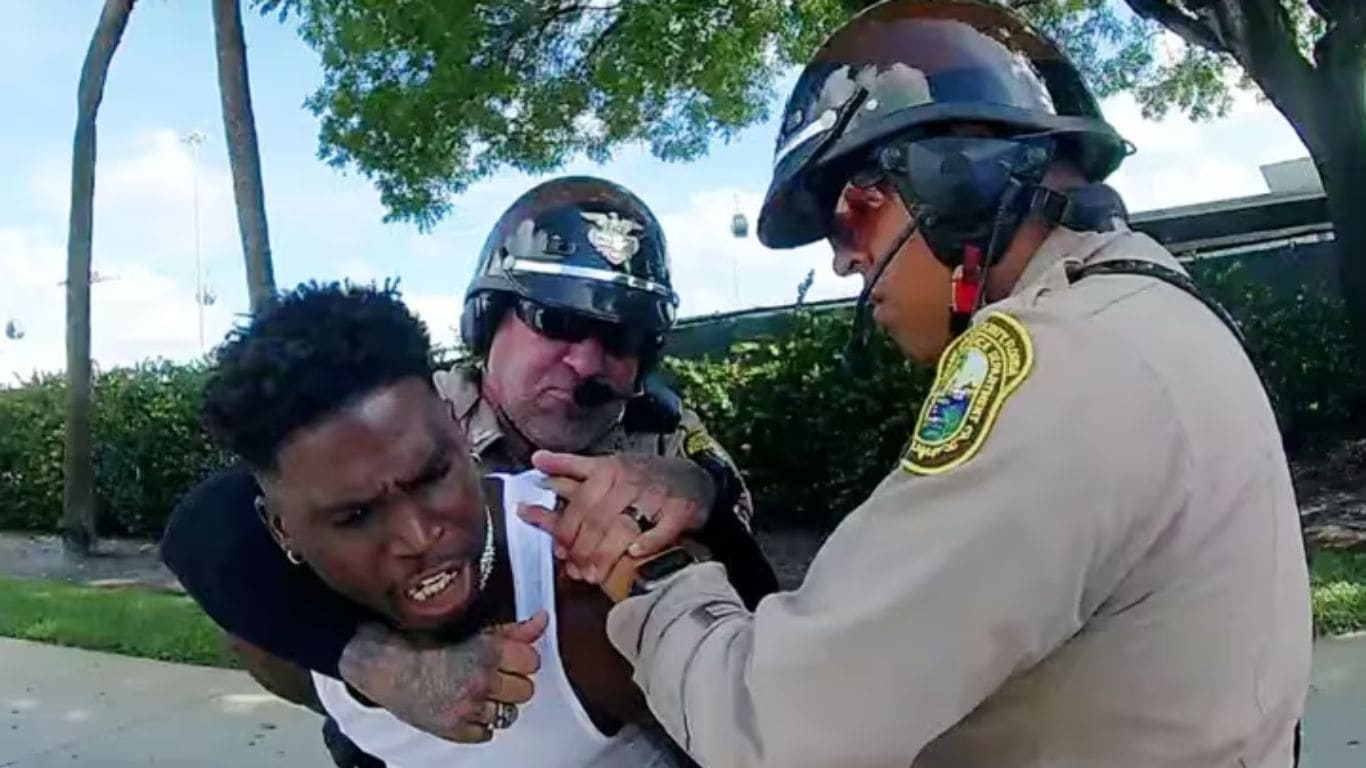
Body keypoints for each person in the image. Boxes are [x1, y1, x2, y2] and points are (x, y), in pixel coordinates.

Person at [532, 1, 1313, 766]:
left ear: (955, 180)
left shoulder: (1061, 367)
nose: (844, 260)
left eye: (852, 214)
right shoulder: (1152, 312)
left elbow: (782, 728)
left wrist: (651, 574)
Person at [159, 176, 778, 764]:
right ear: (488, 319)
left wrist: (698, 494)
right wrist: (373, 663)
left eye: (622, 338)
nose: (586, 363)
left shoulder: (673, 451)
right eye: (556, 322)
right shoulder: (397, 409)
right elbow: (209, 526)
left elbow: (762, 677)